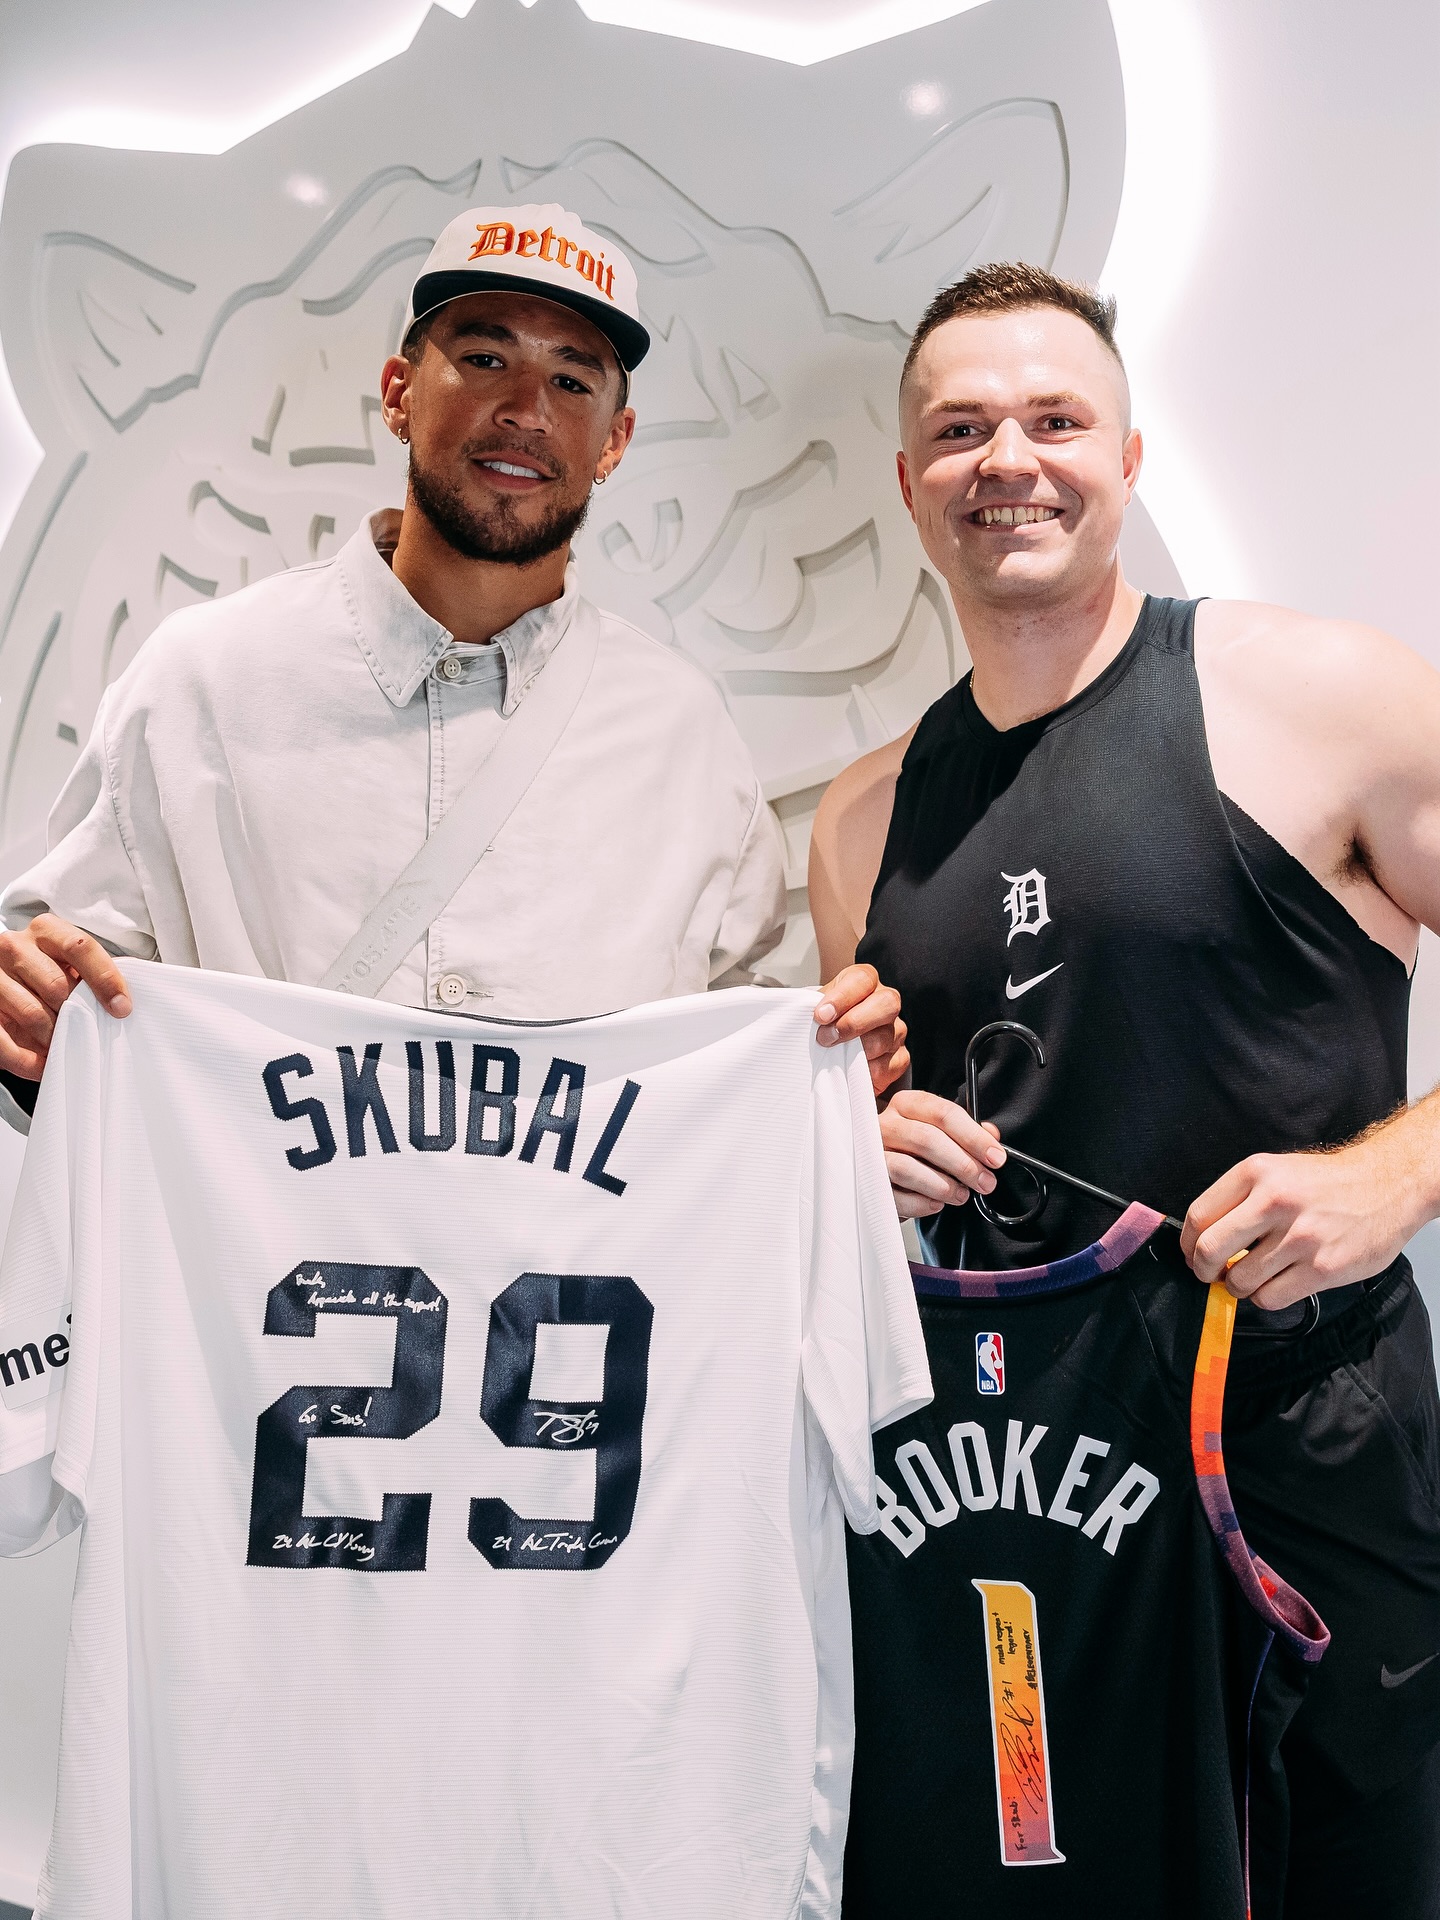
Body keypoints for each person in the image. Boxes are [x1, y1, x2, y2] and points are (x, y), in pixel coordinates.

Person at [809, 262, 1440, 1918]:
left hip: (1306, 1441)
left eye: (1054, 419)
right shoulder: (862, 820)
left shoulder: (1319, 695)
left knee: (1347, 1878)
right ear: (910, 483)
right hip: (1026, 1490)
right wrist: (853, 1150)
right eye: (962, 430)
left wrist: (1397, 1175)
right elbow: (852, 1149)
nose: (1007, 460)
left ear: (1130, 456)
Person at [0, 202, 904, 1091]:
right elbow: (66, 988)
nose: (526, 410)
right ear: (399, 393)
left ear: (614, 442)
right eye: (484, 359)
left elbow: (732, 1058)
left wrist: (824, 1069)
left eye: (572, 381)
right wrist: (28, 1012)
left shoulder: (684, 737)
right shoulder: (203, 680)